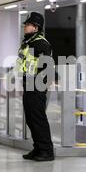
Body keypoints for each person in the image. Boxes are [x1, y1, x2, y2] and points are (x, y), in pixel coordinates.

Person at [17, 12, 54, 162]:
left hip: (37, 86)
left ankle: (46, 150)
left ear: (36, 27)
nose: (25, 27)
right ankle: (38, 147)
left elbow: (47, 67)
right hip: (28, 84)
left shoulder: (41, 43)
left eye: (28, 24)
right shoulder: (28, 43)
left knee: (38, 118)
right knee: (31, 119)